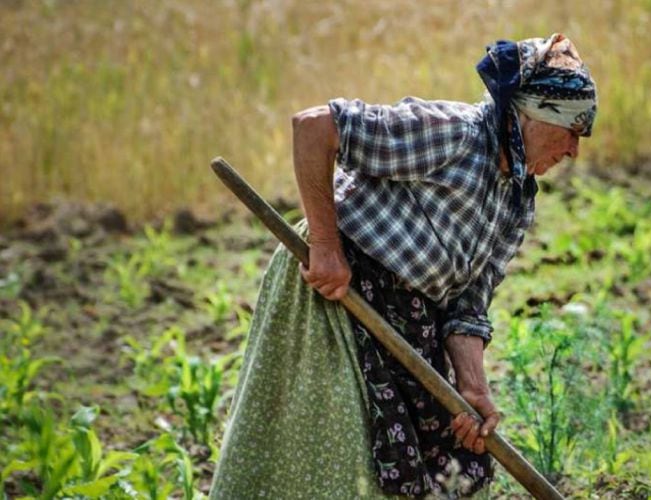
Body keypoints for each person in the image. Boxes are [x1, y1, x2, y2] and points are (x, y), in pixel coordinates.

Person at [209, 33, 596, 499]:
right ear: (532, 115)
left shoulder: (516, 201)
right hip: (336, 293)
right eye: (572, 131)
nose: (574, 151)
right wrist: (328, 247)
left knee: (448, 460)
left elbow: (468, 305)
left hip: (412, 316)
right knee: (340, 456)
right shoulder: (451, 134)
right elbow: (314, 128)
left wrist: (472, 387)